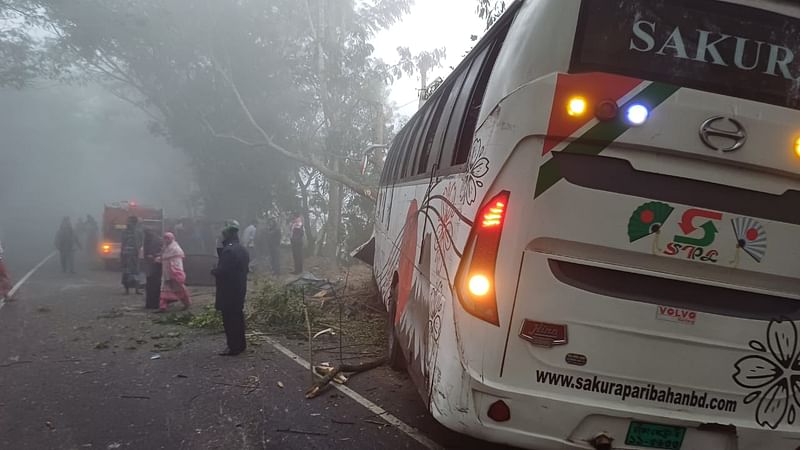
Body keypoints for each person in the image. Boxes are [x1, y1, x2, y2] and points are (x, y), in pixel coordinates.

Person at [212, 220, 250, 356]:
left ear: (227, 235)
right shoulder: (242, 249)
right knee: (238, 317)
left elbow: (223, 271)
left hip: (228, 291)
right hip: (240, 288)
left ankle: (233, 347)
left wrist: (214, 271)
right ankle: (241, 345)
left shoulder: (228, 251)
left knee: (229, 320)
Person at [158, 232, 191, 312]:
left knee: (180, 288)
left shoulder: (176, 249)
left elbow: (177, 263)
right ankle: (163, 307)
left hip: (173, 274)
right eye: (165, 238)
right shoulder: (165, 248)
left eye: (168, 238)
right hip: (166, 273)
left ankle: (187, 303)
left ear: (172, 238)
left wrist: (177, 272)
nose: (166, 240)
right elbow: (163, 258)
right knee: (164, 289)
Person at [120, 216, 142, 295]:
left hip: (131, 255)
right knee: (132, 272)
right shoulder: (138, 231)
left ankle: (131, 290)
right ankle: (132, 290)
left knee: (131, 272)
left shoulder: (127, 232)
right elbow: (140, 243)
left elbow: (140, 242)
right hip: (130, 255)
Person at [142, 228, 162, 309]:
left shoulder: (155, 240)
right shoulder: (151, 239)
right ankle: (152, 304)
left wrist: (153, 256)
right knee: (151, 286)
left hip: (155, 267)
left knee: (153, 286)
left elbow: (161, 252)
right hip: (152, 267)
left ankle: (153, 304)